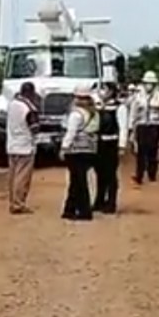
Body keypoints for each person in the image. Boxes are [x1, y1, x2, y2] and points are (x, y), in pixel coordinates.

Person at [60, 86, 99, 221]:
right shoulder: (93, 113)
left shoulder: (76, 114)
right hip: (89, 149)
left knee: (79, 181)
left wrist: (64, 148)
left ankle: (84, 211)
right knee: (76, 181)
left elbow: (70, 133)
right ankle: (69, 209)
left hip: (76, 150)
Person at [129, 71, 159, 184]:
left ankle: (152, 174)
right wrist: (130, 126)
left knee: (153, 150)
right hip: (141, 125)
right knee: (141, 151)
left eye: (151, 83)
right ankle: (139, 176)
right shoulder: (138, 97)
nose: (149, 85)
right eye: (147, 83)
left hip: (154, 125)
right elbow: (133, 112)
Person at [6, 81, 40, 214]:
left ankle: (12, 201)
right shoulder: (29, 108)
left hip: (11, 145)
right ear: (31, 93)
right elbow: (34, 128)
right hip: (25, 146)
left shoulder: (12, 104)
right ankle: (18, 203)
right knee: (22, 177)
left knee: (13, 176)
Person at [93, 82, 128, 213]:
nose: (102, 92)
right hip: (99, 143)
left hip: (111, 143)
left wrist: (122, 146)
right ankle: (99, 200)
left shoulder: (119, 108)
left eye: (105, 89)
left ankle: (111, 202)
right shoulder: (99, 107)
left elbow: (123, 128)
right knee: (99, 173)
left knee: (110, 174)